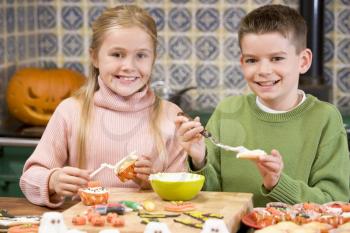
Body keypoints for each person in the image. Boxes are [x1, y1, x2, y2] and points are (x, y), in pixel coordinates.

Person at [175, 4, 350, 207]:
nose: (263, 70)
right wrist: (199, 160)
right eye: (252, 60)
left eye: (276, 58)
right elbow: (210, 199)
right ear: (242, 63)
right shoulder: (227, 111)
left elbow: (334, 202)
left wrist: (277, 183)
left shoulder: (325, 118)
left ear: (303, 61)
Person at [20, 5, 187, 208]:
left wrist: (152, 182)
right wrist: (52, 180)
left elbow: (182, 192)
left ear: (153, 58)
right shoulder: (71, 112)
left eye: (141, 55)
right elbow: (29, 178)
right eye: (117, 54)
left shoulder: (172, 116)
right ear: (94, 57)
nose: (129, 66)